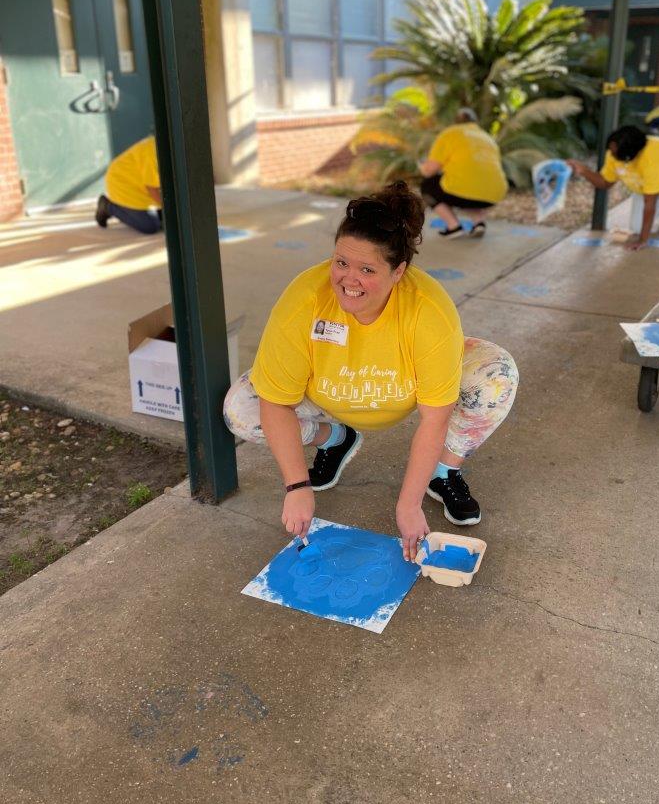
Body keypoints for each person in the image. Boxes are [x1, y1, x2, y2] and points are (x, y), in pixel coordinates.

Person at [223, 181, 518, 560]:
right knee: (240, 410)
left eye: (367, 269)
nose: (348, 279)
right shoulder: (304, 298)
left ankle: (443, 472)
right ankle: (334, 439)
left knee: (496, 375)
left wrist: (408, 505)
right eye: (341, 262)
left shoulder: (429, 311)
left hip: (406, 391)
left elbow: (434, 418)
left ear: (399, 272)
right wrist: (296, 487)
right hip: (327, 397)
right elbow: (276, 401)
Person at [567, 125, 659, 251]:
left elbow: (649, 205)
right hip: (645, 185)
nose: (611, 156)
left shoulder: (653, 158)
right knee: (636, 228)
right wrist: (583, 170)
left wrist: (643, 240)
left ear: (631, 156)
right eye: (611, 150)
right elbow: (605, 183)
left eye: (615, 155)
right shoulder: (615, 151)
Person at [418, 108, 508, 240]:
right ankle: (479, 223)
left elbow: (429, 171)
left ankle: (453, 226)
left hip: (463, 190)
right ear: (475, 122)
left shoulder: (450, 133)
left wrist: (421, 166)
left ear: (455, 121)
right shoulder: (488, 138)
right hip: (495, 195)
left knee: (428, 186)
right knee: (469, 190)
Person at [95, 135, 162, 234]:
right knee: (150, 226)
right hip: (121, 183)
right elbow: (152, 189)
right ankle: (108, 206)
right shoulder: (152, 152)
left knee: (162, 218)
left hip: (138, 184)